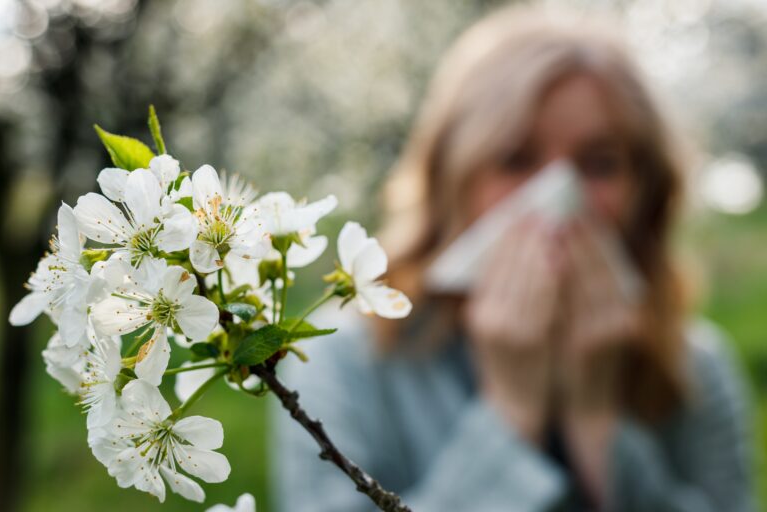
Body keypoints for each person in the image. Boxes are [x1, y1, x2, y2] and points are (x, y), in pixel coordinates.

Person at [271, 5, 755, 511]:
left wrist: (597, 421)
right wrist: (510, 410)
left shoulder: (695, 369)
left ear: (646, 191)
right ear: (450, 180)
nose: (559, 196)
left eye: (600, 163)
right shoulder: (344, 361)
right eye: (516, 159)